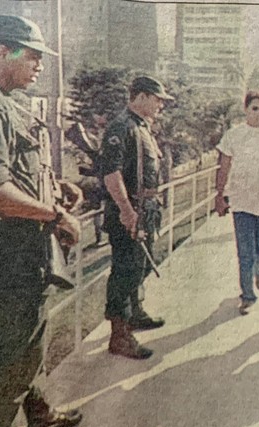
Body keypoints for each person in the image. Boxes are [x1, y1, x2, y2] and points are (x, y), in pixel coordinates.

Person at [0, 15, 84, 427]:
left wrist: (54, 188)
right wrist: (54, 215)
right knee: (14, 350)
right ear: (1, 52)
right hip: (10, 253)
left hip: (17, 248)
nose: (40, 65)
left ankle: (38, 415)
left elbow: (14, 171)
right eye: (32, 55)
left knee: (21, 342)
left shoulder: (5, 102)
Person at [101, 76, 173, 359]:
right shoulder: (122, 127)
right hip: (129, 211)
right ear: (141, 97)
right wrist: (126, 210)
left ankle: (135, 313)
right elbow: (112, 173)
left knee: (141, 265)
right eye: (158, 100)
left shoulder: (141, 126)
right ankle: (119, 335)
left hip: (145, 209)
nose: (160, 106)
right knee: (125, 271)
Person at [215, 90, 259, 315]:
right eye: (254, 108)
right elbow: (224, 166)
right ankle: (247, 295)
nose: (258, 113)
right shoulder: (234, 135)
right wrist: (219, 195)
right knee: (245, 251)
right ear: (246, 109)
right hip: (241, 201)